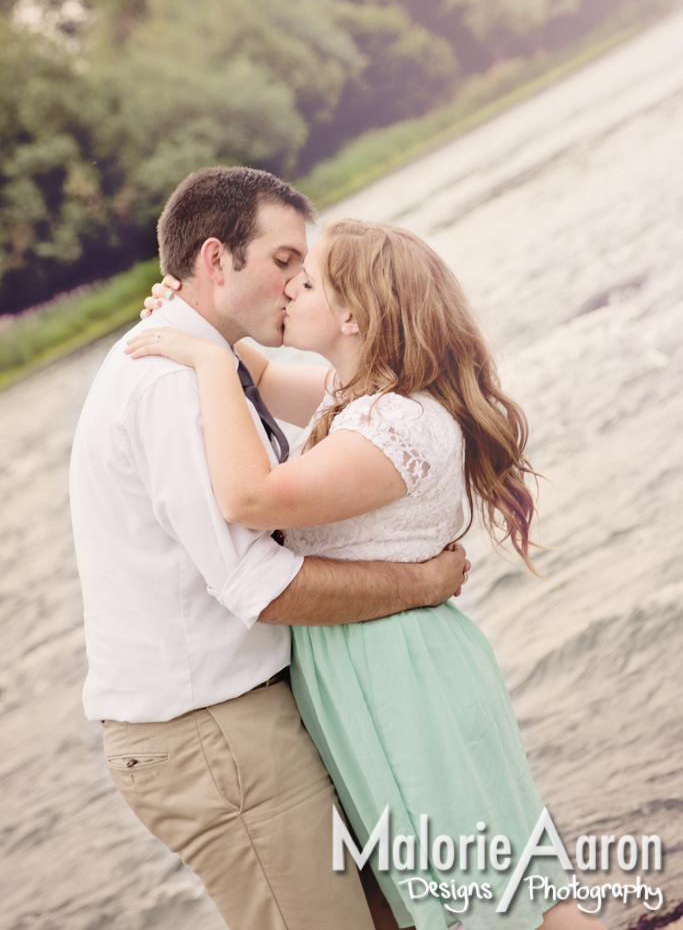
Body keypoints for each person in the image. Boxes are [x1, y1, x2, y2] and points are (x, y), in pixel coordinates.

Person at [130, 217, 609, 930]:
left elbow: (247, 497)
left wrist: (201, 366)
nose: (291, 286)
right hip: (380, 668)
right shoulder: (351, 393)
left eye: (309, 280)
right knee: (507, 893)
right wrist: (200, 314)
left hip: (398, 675)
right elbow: (255, 375)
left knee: (494, 900)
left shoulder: (393, 427)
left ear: (351, 315)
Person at [69, 167, 469, 930]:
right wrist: (418, 583)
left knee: (406, 913)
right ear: (217, 262)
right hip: (212, 729)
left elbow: (319, 395)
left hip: (252, 712)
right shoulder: (170, 384)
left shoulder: (208, 361)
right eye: (284, 262)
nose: (295, 285)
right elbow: (262, 586)